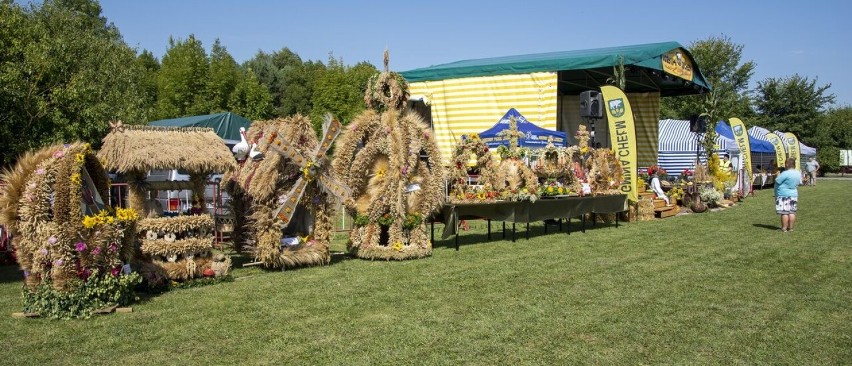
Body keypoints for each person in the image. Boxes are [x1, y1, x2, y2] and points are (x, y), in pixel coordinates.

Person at [774, 157, 801, 232]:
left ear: (787, 164)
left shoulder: (785, 173)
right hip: (794, 194)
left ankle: (784, 228)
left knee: (784, 212)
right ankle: (791, 228)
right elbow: (799, 182)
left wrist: (778, 174)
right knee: (792, 212)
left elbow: (777, 181)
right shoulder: (798, 173)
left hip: (783, 194)